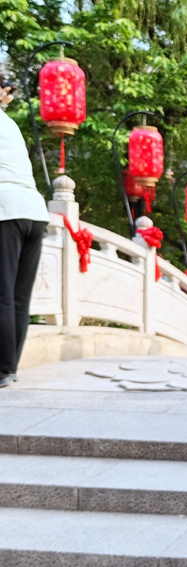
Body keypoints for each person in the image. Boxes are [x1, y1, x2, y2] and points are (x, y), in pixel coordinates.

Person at [0, 76, 49, 388]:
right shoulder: (11, 125)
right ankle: (9, 368)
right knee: (19, 298)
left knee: (2, 295)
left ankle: (3, 370)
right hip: (35, 211)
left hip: (6, 210)